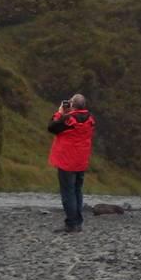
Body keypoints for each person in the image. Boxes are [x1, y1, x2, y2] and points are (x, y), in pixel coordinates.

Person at [48, 94, 95, 234]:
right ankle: (78, 222)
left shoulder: (68, 119)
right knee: (77, 191)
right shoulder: (91, 119)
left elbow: (52, 127)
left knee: (68, 193)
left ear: (72, 105)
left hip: (66, 160)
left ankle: (71, 224)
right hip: (81, 160)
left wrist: (60, 112)